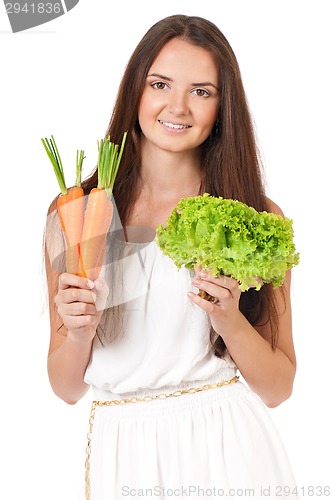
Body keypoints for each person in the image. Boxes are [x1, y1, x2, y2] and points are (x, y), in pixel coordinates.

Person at [45, 14, 299, 500]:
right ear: (135, 90)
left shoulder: (254, 215)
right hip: (124, 457)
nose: (177, 106)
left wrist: (228, 318)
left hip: (229, 447)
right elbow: (66, 386)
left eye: (202, 91)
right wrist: (78, 333)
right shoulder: (80, 212)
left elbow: (278, 387)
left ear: (224, 106)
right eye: (160, 83)